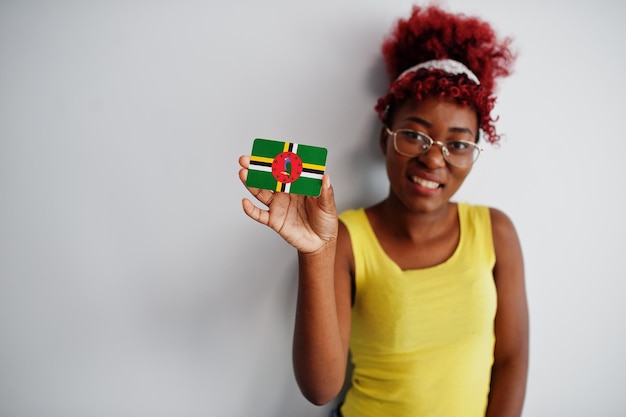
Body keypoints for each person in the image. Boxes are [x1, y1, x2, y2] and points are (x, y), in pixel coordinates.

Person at [238, 4, 528, 417]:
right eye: (414, 135)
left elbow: (512, 360)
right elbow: (321, 389)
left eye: (458, 144)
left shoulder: (497, 232)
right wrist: (316, 251)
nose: (433, 160)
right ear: (384, 140)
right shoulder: (347, 237)